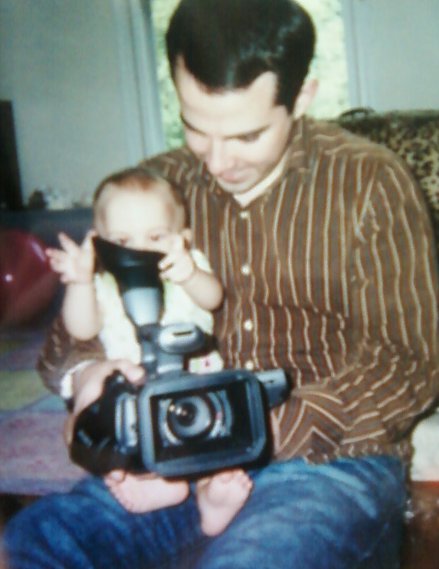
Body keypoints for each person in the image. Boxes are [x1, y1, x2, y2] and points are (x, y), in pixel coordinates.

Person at [3, 0, 438, 567]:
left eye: (247, 135)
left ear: (301, 96)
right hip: (168, 458)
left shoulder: (371, 182)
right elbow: (78, 337)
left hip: (328, 459)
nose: (217, 161)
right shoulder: (156, 188)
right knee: (29, 546)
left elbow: (410, 360)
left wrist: (258, 426)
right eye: (195, 127)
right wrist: (87, 380)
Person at [46, 166, 252, 536]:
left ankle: (209, 494)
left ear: (182, 238)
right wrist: (79, 282)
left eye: (155, 236)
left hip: (191, 379)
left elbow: (214, 298)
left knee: (213, 429)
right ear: (99, 243)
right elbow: (82, 329)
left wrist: (188, 272)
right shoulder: (102, 282)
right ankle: (134, 474)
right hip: (133, 387)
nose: (139, 249)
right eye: (122, 239)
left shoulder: (185, 267)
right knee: (89, 402)